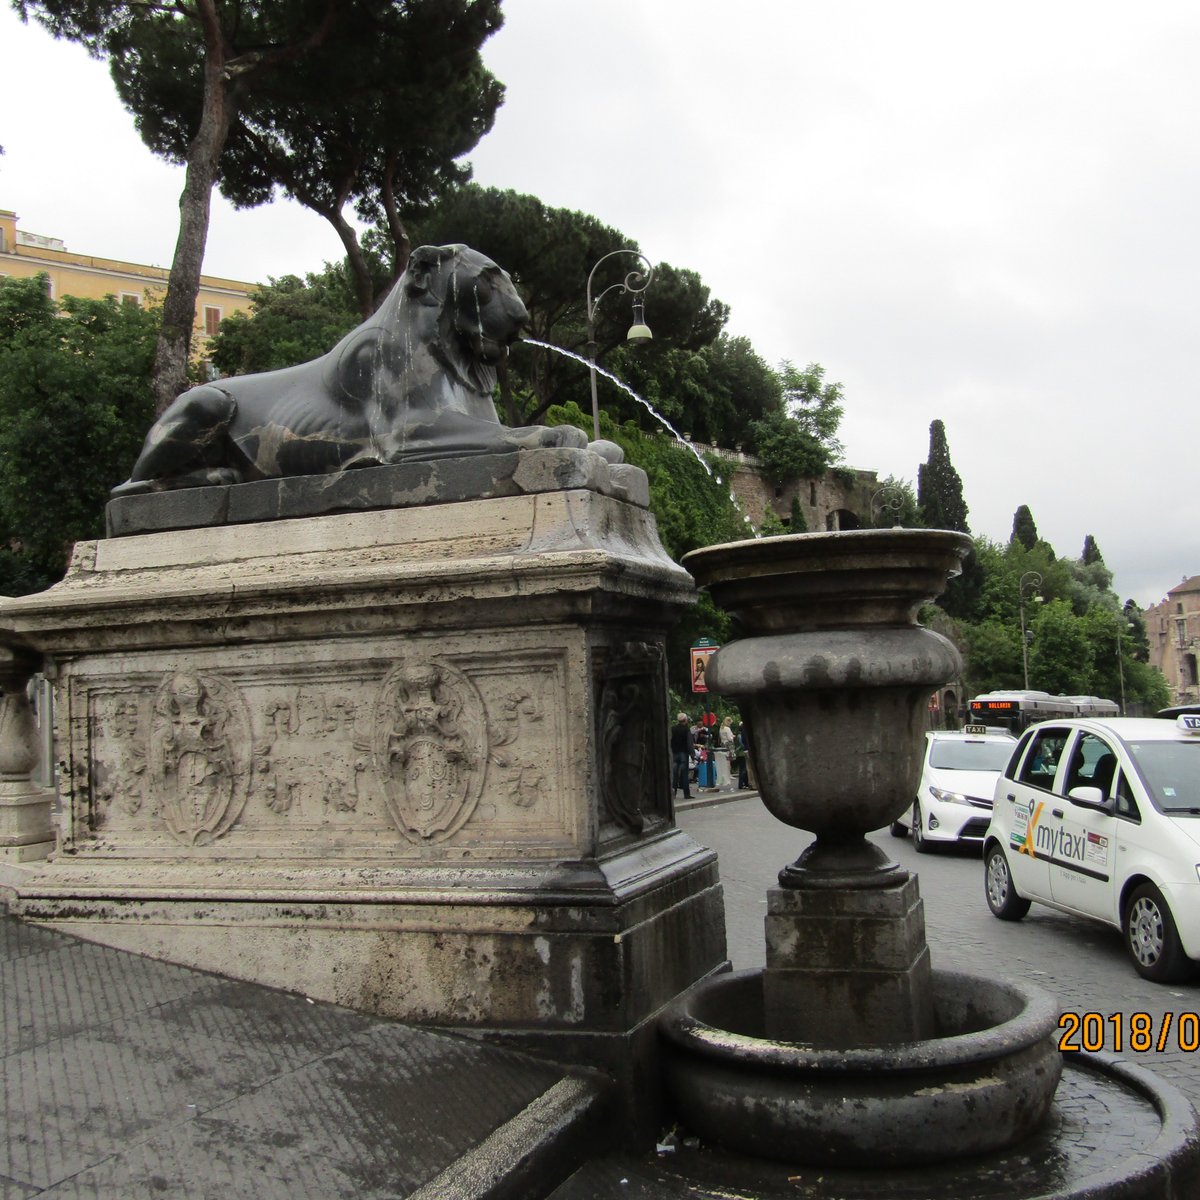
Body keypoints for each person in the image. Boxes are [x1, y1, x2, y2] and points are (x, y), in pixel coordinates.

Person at [670, 712, 695, 800]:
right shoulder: (686, 730)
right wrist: (692, 754)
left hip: (674, 753)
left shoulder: (672, 729)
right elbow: (689, 743)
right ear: (685, 720)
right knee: (684, 774)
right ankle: (686, 794)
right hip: (683, 753)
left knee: (674, 774)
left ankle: (673, 793)